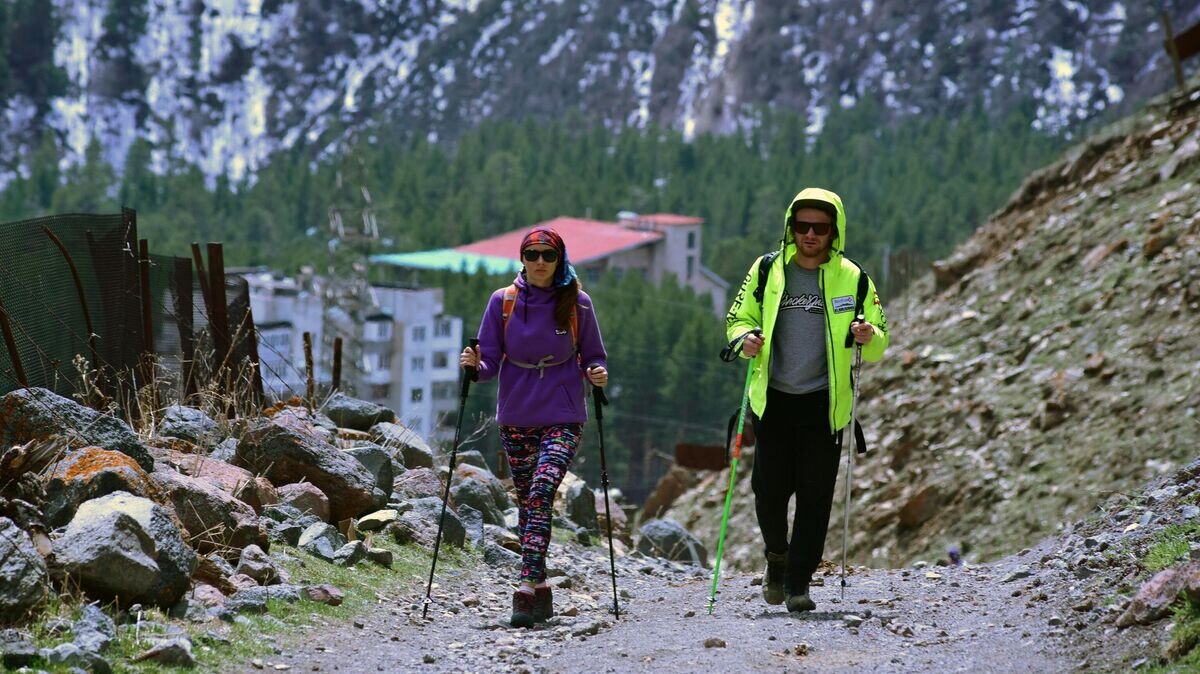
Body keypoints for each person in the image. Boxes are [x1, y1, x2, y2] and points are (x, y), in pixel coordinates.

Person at [725, 187, 889, 612]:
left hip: (825, 405)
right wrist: (745, 339)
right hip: (774, 400)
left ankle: (799, 584)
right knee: (769, 491)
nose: (810, 234)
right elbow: (738, 317)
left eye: (820, 227)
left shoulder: (855, 278)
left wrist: (868, 337)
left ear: (834, 231)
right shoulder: (766, 271)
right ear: (791, 227)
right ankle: (776, 557)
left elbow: (878, 341)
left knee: (816, 498)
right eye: (802, 226)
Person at [459, 226, 608, 628]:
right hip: (516, 416)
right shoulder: (502, 302)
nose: (539, 261)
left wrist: (596, 372)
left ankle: (524, 585)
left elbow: (594, 356)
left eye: (548, 255)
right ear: (522, 258)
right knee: (529, 502)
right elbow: (489, 364)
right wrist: (474, 367)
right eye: (532, 254)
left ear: (560, 260)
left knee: (541, 490)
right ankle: (540, 588)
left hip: (563, 415)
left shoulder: (577, 304)